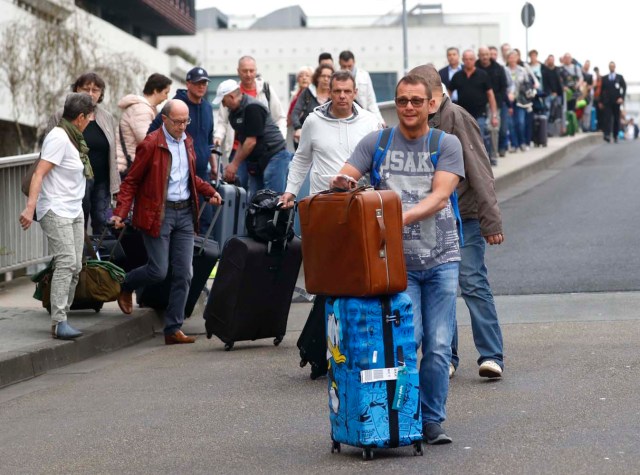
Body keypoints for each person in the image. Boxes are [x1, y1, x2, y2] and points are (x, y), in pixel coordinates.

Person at [331, 74, 465, 445]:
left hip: (442, 258)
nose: (409, 107)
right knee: (409, 340)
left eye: (416, 101)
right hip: (393, 264)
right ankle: (408, 418)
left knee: (438, 346)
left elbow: (440, 196)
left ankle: (433, 420)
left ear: (431, 105)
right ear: (396, 103)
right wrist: (342, 184)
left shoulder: (446, 144)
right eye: (403, 101)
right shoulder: (377, 142)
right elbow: (345, 176)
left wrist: (396, 217)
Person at [411, 64, 505, 379]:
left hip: (465, 216)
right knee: (441, 289)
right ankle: (446, 357)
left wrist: (491, 222)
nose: (412, 103)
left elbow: (480, 169)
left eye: (420, 96)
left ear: (436, 94)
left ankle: (491, 355)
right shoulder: (417, 121)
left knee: (473, 283)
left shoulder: (457, 118)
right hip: (430, 220)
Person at [111, 100, 222, 345]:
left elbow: (189, 177)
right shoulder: (150, 144)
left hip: (184, 214)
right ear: (165, 119)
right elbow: (131, 181)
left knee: (185, 273)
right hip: (157, 214)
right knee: (158, 270)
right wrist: (121, 211)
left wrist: (208, 191)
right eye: (178, 121)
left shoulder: (188, 142)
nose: (183, 126)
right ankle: (126, 283)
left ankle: (173, 328)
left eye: (186, 121)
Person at [20, 93, 96, 340]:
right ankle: (59, 320)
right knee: (66, 262)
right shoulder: (59, 138)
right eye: (90, 117)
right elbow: (39, 174)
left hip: (73, 209)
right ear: (81, 117)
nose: (91, 121)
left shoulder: (74, 137)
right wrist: (30, 209)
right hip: (55, 208)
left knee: (76, 266)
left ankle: (62, 317)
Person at [281, 69, 380, 205]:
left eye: (347, 91)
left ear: (355, 93)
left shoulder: (371, 122)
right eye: (337, 91)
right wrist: (290, 191)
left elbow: (380, 164)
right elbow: (302, 159)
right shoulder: (313, 121)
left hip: (360, 202)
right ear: (329, 92)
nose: (342, 96)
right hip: (322, 201)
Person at [45, 72, 120, 236]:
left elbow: (113, 151)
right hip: (76, 179)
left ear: (101, 94)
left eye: (95, 90)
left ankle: (98, 259)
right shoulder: (61, 115)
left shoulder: (107, 117)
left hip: (102, 180)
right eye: (86, 89)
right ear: (76, 90)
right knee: (79, 220)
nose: (90, 94)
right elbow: (48, 146)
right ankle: (80, 259)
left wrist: (116, 183)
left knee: (102, 221)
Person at [148, 67, 218, 234]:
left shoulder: (208, 107)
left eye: (205, 83)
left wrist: (214, 166)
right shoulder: (175, 105)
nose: (202, 86)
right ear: (188, 84)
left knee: (206, 218)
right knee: (185, 221)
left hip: (203, 172)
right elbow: (152, 132)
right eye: (197, 83)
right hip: (180, 173)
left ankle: (199, 260)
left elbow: (209, 140)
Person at [214, 56, 288, 187]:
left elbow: (251, 140)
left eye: (251, 70)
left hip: (272, 152)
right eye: (244, 71)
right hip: (250, 153)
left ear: (231, 97)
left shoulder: (253, 106)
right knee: (254, 197)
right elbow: (223, 123)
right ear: (238, 71)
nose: (248, 74)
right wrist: (218, 137)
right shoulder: (234, 109)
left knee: (272, 197)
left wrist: (234, 165)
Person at [116, 73, 172, 176]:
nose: (166, 97)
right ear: (155, 91)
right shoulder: (141, 110)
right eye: (165, 93)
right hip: (129, 167)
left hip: (130, 164)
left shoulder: (147, 109)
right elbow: (147, 141)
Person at [448, 49, 499, 159]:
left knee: (479, 137)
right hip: (463, 114)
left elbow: (491, 95)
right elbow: (449, 94)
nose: (468, 61)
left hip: (480, 113)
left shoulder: (483, 75)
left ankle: (485, 159)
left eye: (470, 59)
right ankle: (470, 160)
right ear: (463, 60)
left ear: (475, 60)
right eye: (466, 59)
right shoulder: (457, 76)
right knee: (464, 139)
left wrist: (494, 115)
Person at [476, 46, 509, 163]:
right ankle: (482, 156)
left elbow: (504, 86)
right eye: (482, 54)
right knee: (479, 130)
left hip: (495, 103)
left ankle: (494, 154)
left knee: (493, 128)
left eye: (486, 54)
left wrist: (498, 99)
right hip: (479, 103)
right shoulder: (474, 68)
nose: (485, 57)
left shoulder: (498, 68)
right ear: (479, 55)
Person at [291, 64, 334, 148]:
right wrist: (298, 128)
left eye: (329, 77)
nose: (326, 79)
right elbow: (295, 113)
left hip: (329, 139)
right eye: (323, 76)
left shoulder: (336, 93)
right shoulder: (308, 92)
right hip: (307, 137)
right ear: (317, 77)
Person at [338, 50, 385, 125]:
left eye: (349, 66)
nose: (347, 69)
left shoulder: (364, 75)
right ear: (339, 63)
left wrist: (380, 120)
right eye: (344, 66)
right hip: (343, 118)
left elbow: (371, 101)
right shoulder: (335, 78)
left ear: (354, 62)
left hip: (362, 116)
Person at [506, 50, 533, 152]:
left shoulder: (522, 70)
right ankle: (514, 144)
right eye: (510, 57)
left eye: (514, 57)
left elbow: (528, 84)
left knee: (521, 122)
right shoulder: (504, 70)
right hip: (508, 100)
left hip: (521, 101)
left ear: (517, 58)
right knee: (510, 124)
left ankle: (523, 142)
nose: (512, 59)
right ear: (507, 59)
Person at [287, 66, 313, 150]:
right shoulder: (294, 96)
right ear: (297, 79)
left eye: (307, 75)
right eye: (301, 76)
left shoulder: (314, 96)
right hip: (294, 130)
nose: (304, 78)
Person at [600, 61, 626, 143]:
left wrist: (622, 98)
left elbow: (624, 87)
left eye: (613, 66)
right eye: (610, 66)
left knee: (616, 118)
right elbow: (601, 90)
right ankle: (607, 134)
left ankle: (615, 135)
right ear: (609, 67)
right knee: (607, 118)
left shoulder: (619, 77)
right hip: (607, 101)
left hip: (616, 101)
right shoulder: (604, 78)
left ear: (615, 67)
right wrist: (601, 101)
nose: (612, 67)